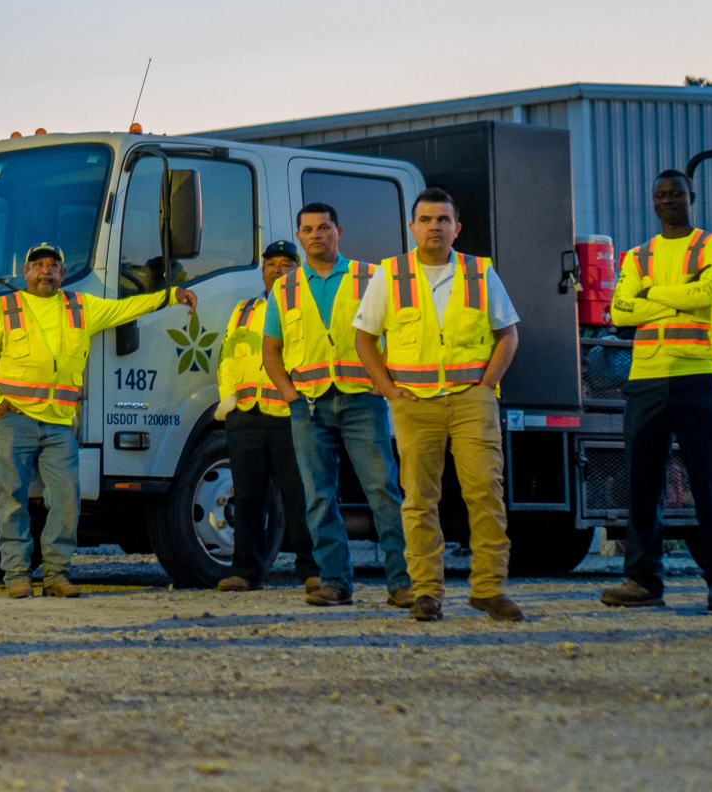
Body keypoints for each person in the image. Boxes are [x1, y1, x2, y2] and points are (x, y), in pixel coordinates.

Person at [0, 242, 195, 598]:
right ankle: (16, 576)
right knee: (11, 499)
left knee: (66, 498)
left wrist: (171, 296)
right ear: (26, 273)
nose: (46, 270)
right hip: (13, 419)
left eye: (53, 265)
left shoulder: (80, 307)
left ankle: (56, 574)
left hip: (59, 424)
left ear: (63, 273)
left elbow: (127, 308)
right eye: (39, 264)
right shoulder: (4, 308)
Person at [352, 188, 521, 623]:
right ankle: (426, 592)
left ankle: (488, 589)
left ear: (456, 228)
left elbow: (508, 334)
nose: (434, 227)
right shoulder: (391, 275)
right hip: (414, 403)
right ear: (412, 227)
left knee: (485, 492)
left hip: (471, 400)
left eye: (443, 219)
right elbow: (365, 338)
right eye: (426, 219)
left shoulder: (479, 273)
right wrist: (388, 389)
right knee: (419, 500)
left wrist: (487, 386)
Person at [602, 170, 712, 611]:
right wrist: (678, 295)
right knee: (642, 484)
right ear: (652, 201)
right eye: (660, 195)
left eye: (675, 194)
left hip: (699, 374)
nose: (668, 200)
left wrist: (653, 295)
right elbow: (619, 311)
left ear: (691, 197)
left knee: (711, 481)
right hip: (646, 378)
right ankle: (643, 581)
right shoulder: (637, 254)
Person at [263, 203, 412, 609]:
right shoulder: (285, 287)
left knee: (382, 490)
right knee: (318, 496)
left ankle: (403, 582)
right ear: (299, 236)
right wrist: (289, 394)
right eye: (308, 229)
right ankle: (335, 582)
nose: (316, 235)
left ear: (339, 231)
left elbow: (397, 331)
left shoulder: (371, 277)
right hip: (308, 405)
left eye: (324, 227)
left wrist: (387, 385)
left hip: (363, 400)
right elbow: (271, 350)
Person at [214, 240, 318, 593]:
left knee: (299, 496)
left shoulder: (306, 307)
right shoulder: (244, 309)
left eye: (287, 263)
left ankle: (313, 571)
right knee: (246, 498)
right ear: (262, 271)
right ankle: (246, 572)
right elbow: (227, 355)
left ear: (298, 270)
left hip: (290, 416)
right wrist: (227, 399)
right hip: (246, 416)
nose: (278, 269)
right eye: (271, 264)